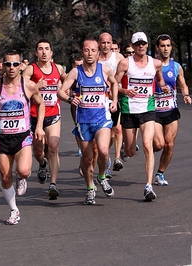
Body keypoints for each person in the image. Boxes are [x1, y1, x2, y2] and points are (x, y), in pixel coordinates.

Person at [0, 50, 45, 225]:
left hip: (23, 136)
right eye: (8, 64)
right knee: (4, 177)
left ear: (21, 66)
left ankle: (22, 177)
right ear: (3, 65)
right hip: (3, 138)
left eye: (15, 64)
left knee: (24, 170)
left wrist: (39, 126)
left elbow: (40, 104)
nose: (11, 68)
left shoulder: (29, 85)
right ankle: (14, 210)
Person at [57, 38, 118, 205]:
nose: (90, 54)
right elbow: (60, 92)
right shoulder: (76, 72)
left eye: (93, 51)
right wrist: (70, 99)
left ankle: (102, 177)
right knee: (87, 158)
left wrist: (114, 101)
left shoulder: (105, 70)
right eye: (86, 50)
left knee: (104, 150)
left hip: (102, 118)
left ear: (98, 53)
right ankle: (90, 188)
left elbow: (114, 83)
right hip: (83, 121)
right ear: (82, 52)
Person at [115, 32, 170, 201]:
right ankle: (125, 148)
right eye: (137, 43)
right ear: (133, 45)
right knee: (131, 151)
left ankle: (148, 186)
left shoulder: (155, 64)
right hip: (129, 109)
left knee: (147, 144)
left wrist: (164, 87)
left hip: (148, 109)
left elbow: (159, 81)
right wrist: (124, 91)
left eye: (143, 43)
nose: (141, 46)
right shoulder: (125, 63)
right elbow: (114, 84)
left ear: (147, 45)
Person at [22, 39, 67, 200]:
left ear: (51, 52)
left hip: (53, 114)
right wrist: (35, 87)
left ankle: (53, 184)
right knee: (39, 151)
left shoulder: (58, 68)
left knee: (53, 147)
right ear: (36, 53)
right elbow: (20, 89)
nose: (44, 52)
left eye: (47, 49)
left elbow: (68, 80)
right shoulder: (30, 70)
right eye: (40, 49)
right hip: (34, 116)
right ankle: (42, 165)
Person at [153, 34, 192, 186]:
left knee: (169, 144)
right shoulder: (152, 65)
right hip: (154, 110)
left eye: (168, 45)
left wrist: (186, 95)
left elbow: (183, 85)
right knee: (158, 145)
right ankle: (149, 150)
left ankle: (160, 173)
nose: (166, 48)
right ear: (158, 47)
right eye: (163, 46)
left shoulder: (176, 66)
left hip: (171, 109)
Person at [98, 32, 124, 174]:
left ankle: (118, 158)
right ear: (99, 44)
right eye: (103, 43)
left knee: (118, 129)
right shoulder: (95, 59)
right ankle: (105, 159)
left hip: (116, 97)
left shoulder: (118, 58)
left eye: (108, 43)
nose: (106, 46)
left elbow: (127, 71)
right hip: (101, 101)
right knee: (109, 134)